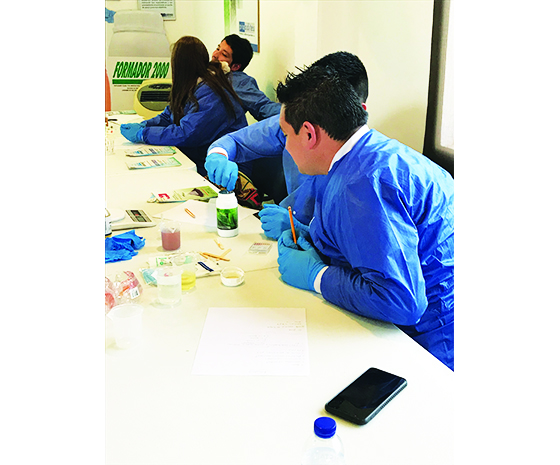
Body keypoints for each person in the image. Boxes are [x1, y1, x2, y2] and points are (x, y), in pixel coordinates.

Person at [274, 65, 455, 370]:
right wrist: (314, 239)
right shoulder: (364, 153)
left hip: (429, 340)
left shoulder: (364, 183)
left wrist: (317, 276)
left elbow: (402, 302)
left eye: (286, 135)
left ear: (308, 133)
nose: (285, 145)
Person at [205, 51, 368, 209]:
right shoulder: (293, 121)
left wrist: (300, 226)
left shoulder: (363, 174)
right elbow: (236, 141)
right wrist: (218, 155)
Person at [120, 36, 247, 176]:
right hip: (199, 159)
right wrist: (145, 124)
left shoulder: (212, 92)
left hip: (224, 170)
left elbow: (188, 134)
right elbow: (168, 115)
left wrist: (144, 134)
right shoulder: (192, 85)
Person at [211, 34, 281, 121]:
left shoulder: (239, 82)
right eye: (218, 49)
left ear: (235, 66)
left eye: (224, 54)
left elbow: (262, 106)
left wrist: (292, 113)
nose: (215, 55)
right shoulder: (209, 73)